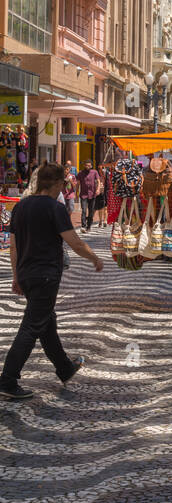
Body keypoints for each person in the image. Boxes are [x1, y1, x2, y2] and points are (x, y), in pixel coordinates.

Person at [0, 163, 103, 401]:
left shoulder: (21, 207)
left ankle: (65, 368)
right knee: (31, 326)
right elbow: (75, 242)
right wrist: (94, 258)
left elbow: (13, 246)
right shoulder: (54, 208)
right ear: (57, 184)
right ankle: (8, 379)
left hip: (27, 272)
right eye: (62, 184)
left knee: (46, 322)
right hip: (45, 274)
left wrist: (16, 275)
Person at [77, 161, 101, 233]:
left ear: (91, 166)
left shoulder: (94, 172)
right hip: (83, 194)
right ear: (84, 165)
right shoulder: (81, 173)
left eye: (89, 165)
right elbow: (78, 183)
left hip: (92, 194)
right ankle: (83, 226)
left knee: (91, 211)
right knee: (84, 210)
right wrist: (76, 192)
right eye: (86, 165)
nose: (88, 167)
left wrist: (98, 189)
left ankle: (89, 226)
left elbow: (98, 181)